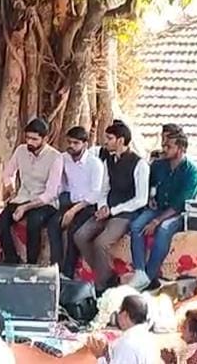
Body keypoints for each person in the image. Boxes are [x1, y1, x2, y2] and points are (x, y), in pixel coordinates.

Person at [74, 122, 149, 293]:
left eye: (109, 138)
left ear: (121, 140)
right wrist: (103, 207)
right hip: (107, 209)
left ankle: (102, 286)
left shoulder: (140, 164)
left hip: (126, 213)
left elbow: (141, 199)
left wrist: (113, 210)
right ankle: (108, 278)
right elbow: (104, 188)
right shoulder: (109, 160)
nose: (105, 141)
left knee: (100, 243)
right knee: (80, 236)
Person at [128, 132, 197, 290]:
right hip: (158, 208)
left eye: (169, 146)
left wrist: (156, 221)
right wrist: (150, 198)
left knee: (164, 229)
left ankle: (149, 276)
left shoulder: (192, 172)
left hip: (178, 212)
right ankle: (140, 272)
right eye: (164, 145)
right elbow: (149, 185)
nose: (164, 149)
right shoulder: (158, 165)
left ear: (180, 149)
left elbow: (180, 204)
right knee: (136, 226)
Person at [0, 118, 63, 265]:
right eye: (28, 138)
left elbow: (51, 193)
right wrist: (11, 190)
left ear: (45, 139)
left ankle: (31, 264)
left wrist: (24, 208)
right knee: (1, 222)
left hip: (44, 202)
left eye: (34, 139)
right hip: (22, 197)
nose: (29, 142)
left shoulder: (56, 157)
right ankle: (12, 258)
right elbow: (8, 174)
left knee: (34, 222)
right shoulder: (21, 150)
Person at [47, 126, 104, 278]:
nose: (71, 146)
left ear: (85, 144)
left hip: (87, 205)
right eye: (70, 142)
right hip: (70, 202)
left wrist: (73, 211)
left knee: (73, 231)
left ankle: (68, 273)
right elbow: (60, 184)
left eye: (76, 143)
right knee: (53, 224)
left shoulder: (94, 164)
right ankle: (55, 268)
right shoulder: (64, 158)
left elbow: (95, 193)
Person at [87, 295, 158, 364]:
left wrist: (98, 355)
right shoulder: (147, 337)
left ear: (125, 314)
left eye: (119, 310)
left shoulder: (126, 343)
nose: (118, 315)